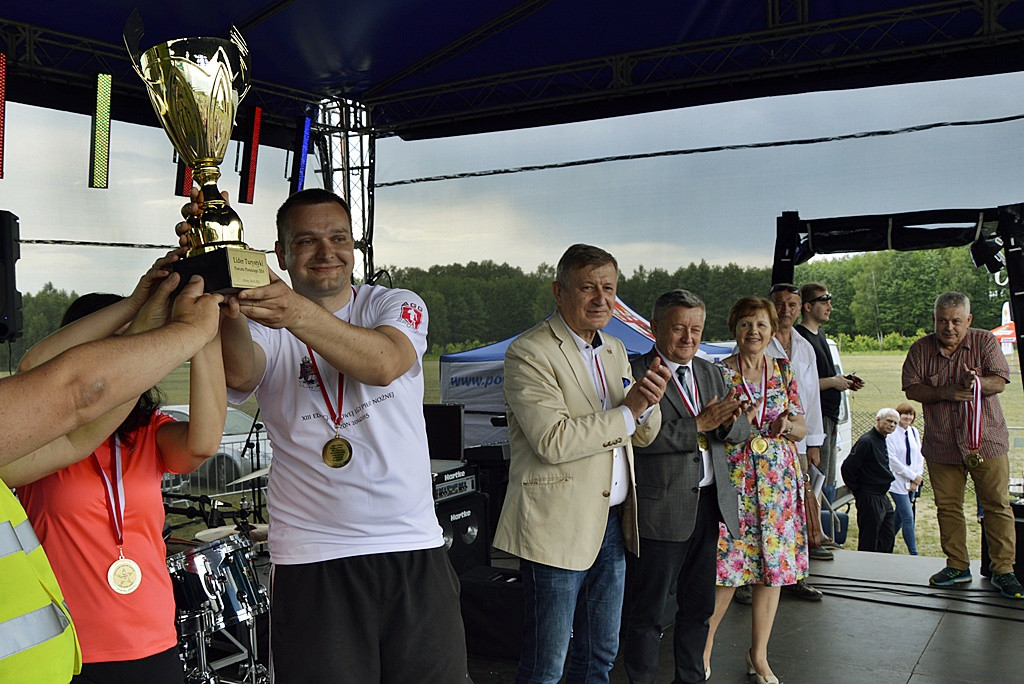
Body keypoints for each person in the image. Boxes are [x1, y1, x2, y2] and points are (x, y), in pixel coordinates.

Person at [179, 187, 471, 682]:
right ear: (281, 254)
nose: (326, 252)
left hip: (412, 545)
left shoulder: (394, 303)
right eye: (307, 241)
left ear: (354, 246)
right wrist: (227, 303)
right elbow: (241, 374)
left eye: (338, 238)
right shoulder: (267, 323)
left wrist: (292, 309)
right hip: (314, 555)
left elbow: (382, 363)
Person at [0, 272, 224, 682]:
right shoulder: (38, 442)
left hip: (151, 639)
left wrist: (202, 331)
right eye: (114, 349)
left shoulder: (148, 433)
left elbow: (203, 443)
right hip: (72, 646)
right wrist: (134, 306)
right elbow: (35, 367)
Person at [493, 243, 669, 684]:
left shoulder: (612, 348)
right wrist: (629, 413)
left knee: (599, 656)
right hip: (558, 527)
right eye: (588, 287)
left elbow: (643, 431)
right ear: (559, 291)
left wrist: (647, 405)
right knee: (546, 666)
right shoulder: (529, 352)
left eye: (608, 288)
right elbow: (552, 441)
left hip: (612, 523)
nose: (601, 299)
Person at [623, 289, 749, 684]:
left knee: (699, 607)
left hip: (709, 505)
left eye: (696, 329)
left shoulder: (711, 371)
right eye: (678, 328)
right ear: (655, 328)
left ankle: (691, 678)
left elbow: (740, 429)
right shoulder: (634, 371)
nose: (688, 338)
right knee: (649, 612)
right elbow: (630, 437)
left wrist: (727, 422)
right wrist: (698, 425)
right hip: (660, 509)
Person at [703, 296, 808, 684]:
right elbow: (713, 430)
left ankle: (758, 656)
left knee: (772, 572)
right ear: (734, 329)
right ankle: (705, 647)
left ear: (771, 330)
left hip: (778, 485)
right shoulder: (717, 373)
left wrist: (786, 424)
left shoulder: (782, 370)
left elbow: (802, 426)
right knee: (726, 571)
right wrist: (740, 424)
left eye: (761, 325)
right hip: (737, 482)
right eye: (746, 324)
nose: (754, 332)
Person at [903, 291, 1022, 598]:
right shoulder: (920, 349)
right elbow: (911, 387)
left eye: (956, 320)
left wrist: (977, 385)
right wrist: (946, 391)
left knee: (998, 506)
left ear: (969, 320)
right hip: (942, 444)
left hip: (987, 442)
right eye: (942, 320)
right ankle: (957, 565)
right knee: (948, 507)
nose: (949, 327)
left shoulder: (985, 342)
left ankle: (1004, 571)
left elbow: (1001, 379)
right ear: (934, 319)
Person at [766, 282, 831, 601]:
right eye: (780, 304)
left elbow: (812, 399)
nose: (786, 311)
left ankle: (796, 575)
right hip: (765, 443)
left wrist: (815, 442)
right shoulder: (757, 341)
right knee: (766, 513)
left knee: (799, 509)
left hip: (799, 441)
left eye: (792, 305)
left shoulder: (804, 346)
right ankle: (755, 580)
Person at [795, 283, 863, 504]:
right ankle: (815, 524)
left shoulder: (820, 335)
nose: (830, 307)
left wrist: (845, 380)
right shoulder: (799, 339)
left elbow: (822, 376)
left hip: (831, 417)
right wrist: (833, 382)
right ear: (807, 306)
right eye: (824, 301)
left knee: (829, 478)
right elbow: (798, 384)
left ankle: (823, 524)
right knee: (816, 479)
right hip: (816, 419)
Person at [841, 408, 899, 553]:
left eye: (895, 423)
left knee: (886, 536)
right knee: (870, 538)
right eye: (889, 421)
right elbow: (848, 467)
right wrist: (858, 489)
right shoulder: (867, 441)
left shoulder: (881, 440)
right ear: (878, 420)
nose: (892, 425)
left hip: (882, 495)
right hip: (869, 494)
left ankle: (883, 567)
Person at [887, 402, 925, 555]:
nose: (908, 417)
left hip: (913, 482)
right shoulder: (892, 434)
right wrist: (912, 476)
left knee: (900, 517)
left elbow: (919, 456)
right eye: (905, 414)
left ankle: (885, 543)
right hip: (897, 482)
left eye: (911, 414)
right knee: (908, 517)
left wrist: (917, 478)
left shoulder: (914, 432)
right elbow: (893, 461)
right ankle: (914, 553)